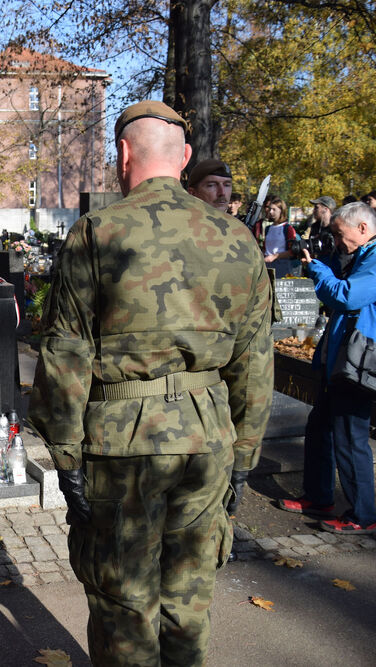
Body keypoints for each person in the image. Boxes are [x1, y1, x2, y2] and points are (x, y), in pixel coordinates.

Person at [28, 100, 274, 665]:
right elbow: (255, 362)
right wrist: (243, 455)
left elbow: (65, 352)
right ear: (185, 158)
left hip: (123, 446)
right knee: (188, 600)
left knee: (124, 602)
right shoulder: (238, 238)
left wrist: (66, 459)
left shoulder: (98, 233)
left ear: (121, 155)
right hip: (208, 439)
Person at [276, 202, 376, 533]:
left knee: (350, 439)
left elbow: (346, 296)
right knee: (319, 428)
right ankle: (319, 497)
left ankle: (363, 515)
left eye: (338, 234)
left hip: (359, 364)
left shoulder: (374, 260)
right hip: (339, 360)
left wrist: (318, 269)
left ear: (363, 229)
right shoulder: (358, 256)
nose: (334, 240)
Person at [262, 197, 300, 276]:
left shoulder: (287, 228)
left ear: (281, 210)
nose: (271, 212)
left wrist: (274, 256)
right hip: (267, 265)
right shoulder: (268, 228)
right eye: (270, 209)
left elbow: (292, 251)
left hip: (282, 266)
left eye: (274, 209)